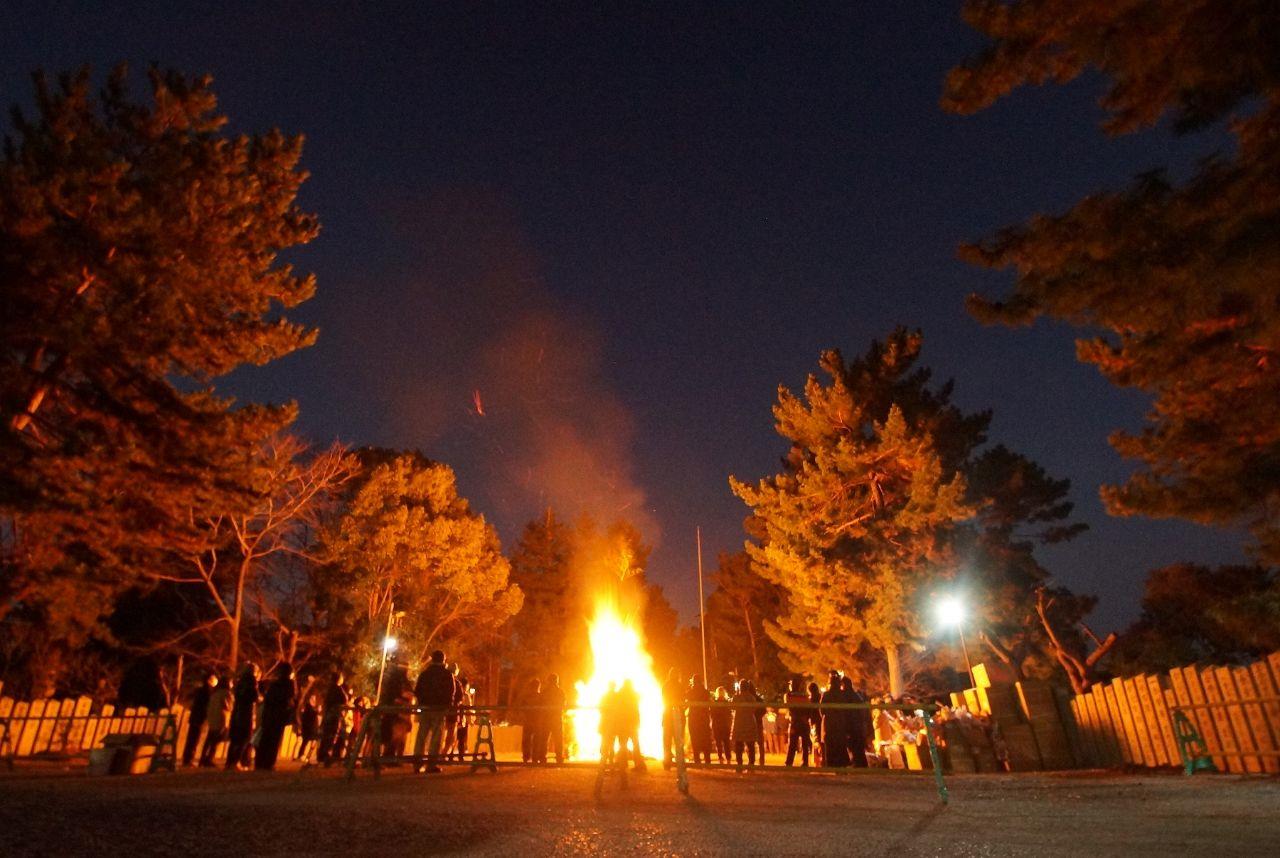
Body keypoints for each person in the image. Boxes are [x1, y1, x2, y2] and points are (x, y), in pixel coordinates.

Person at [412, 650, 455, 773]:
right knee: (436, 737)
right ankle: (431, 764)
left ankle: (417, 763)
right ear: (443, 660)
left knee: (421, 735)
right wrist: (448, 706)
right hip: (439, 709)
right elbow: (450, 693)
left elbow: (418, 691)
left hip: (425, 708)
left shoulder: (424, 674)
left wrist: (422, 702)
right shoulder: (447, 675)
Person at [255, 662, 297, 771]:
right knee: (274, 740)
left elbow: (268, 699)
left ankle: (259, 762)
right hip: (278, 715)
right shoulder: (289, 684)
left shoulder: (274, 684)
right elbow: (290, 699)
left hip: (269, 714)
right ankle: (268, 763)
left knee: (265, 738)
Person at [225, 663, 260, 770]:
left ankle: (229, 762)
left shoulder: (240, 681)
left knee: (235, 739)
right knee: (245, 738)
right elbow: (254, 696)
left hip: (237, 711)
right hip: (246, 712)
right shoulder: (251, 681)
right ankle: (236, 761)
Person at [182, 672, 216, 767]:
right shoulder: (206, 690)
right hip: (198, 717)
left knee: (192, 738)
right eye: (213, 678)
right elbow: (205, 705)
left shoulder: (202, 690)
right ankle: (188, 759)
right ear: (209, 680)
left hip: (196, 716)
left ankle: (187, 758)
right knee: (193, 738)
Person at [199, 673, 231, 767]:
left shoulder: (214, 693)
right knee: (215, 740)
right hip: (221, 718)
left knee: (209, 739)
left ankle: (203, 758)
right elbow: (228, 706)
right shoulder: (225, 693)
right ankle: (209, 759)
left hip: (212, 718)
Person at [317, 671, 348, 766]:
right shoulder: (337, 689)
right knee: (332, 736)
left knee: (326, 736)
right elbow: (344, 699)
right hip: (334, 715)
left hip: (328, 715)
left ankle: (322, 756)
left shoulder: (329, 689)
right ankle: (327, 756)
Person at [731, 680, 762, 769]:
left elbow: (732, 707)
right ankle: (751, 764)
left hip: (739, 722)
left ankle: (739, 764)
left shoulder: (736, 697)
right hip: (749, 721)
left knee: (739, 745)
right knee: (750, 744)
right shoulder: (752, 697)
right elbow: (754, 709)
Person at [616, 679, 645, 772]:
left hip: (624, 722)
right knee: (635, 744)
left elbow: (618, 706)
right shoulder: (635, 694)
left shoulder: (620, 694)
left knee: (623, 744)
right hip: (633, 722)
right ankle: (639, 764)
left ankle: (623, 763)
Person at [821, 670, 848, 767]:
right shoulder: (843, 694)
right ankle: (842, 764)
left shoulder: (826, 695)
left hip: (830, 724)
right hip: (841, 723)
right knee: (840, 744)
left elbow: (822, 710)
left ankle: (831, 764)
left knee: (831, 744)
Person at [784, 677, 812, 767]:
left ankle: (789, 762)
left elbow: (787, 705)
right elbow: (808, 709)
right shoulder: (806, 696)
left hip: (795, 722)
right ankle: (805, 762)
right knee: (804, 744)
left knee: (792, 744)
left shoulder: (789, 696)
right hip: (804, 722)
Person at [686, 674, 713, 765]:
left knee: (695, 739)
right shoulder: (706, 692)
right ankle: (707, 760)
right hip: (704, 718)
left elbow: (686, 704)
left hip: (693, 718)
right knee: (705, 738)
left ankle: (697, 760)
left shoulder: (690, 692)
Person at [843, 676, 870, 768]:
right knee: (858, 746)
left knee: (854, 745)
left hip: (852, 725)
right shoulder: (856, 695)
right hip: (858, 724)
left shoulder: (847, 695)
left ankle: (858, 763)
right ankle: (861, 763)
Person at [661, 667, 683, 770]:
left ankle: (667, 763)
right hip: (677, 715)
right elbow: (683, 700)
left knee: (667, 741)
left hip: (667, 715)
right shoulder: (679, 686)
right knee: (678, 741)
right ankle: (680, 763)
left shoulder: (665, 685)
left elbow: (663, 698)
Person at [541, 673, 566, 764]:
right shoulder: (560, 692)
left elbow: (541, 704)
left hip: (547, 718)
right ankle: (559, 757)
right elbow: (563, 704)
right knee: (558, 739)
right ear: (556, 681)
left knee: (544, 738)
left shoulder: (545, 692)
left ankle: (542, 757)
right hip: (556, 718)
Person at [296, 687, 321, 763]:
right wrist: (317, 711)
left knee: (312, 741)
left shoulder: (313, 707)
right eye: (312, 698)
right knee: (305, 741)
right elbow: (310, 715)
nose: (314, 700)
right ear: (310, 699)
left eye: (314, 698)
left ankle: (308, 755)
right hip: (308, 727)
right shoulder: (308, 707)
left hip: (313, 727)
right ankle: (301, 755)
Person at [710, 686, 732, 764]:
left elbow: (712, 714)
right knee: (726, 742)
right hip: (725, 724)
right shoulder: (727, 703)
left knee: (718, 742)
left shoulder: (714, 703)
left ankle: (720, 758)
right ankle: (728, 758)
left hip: (717, 724)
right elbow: (729, 714)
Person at [807, 681, 824, 766]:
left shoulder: (810, 700)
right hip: (821, 721)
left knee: (815, 741)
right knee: (821, 741)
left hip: (815, 722)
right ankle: (822, 759)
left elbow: (810, 712)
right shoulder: (821, 697)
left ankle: (817, 760)